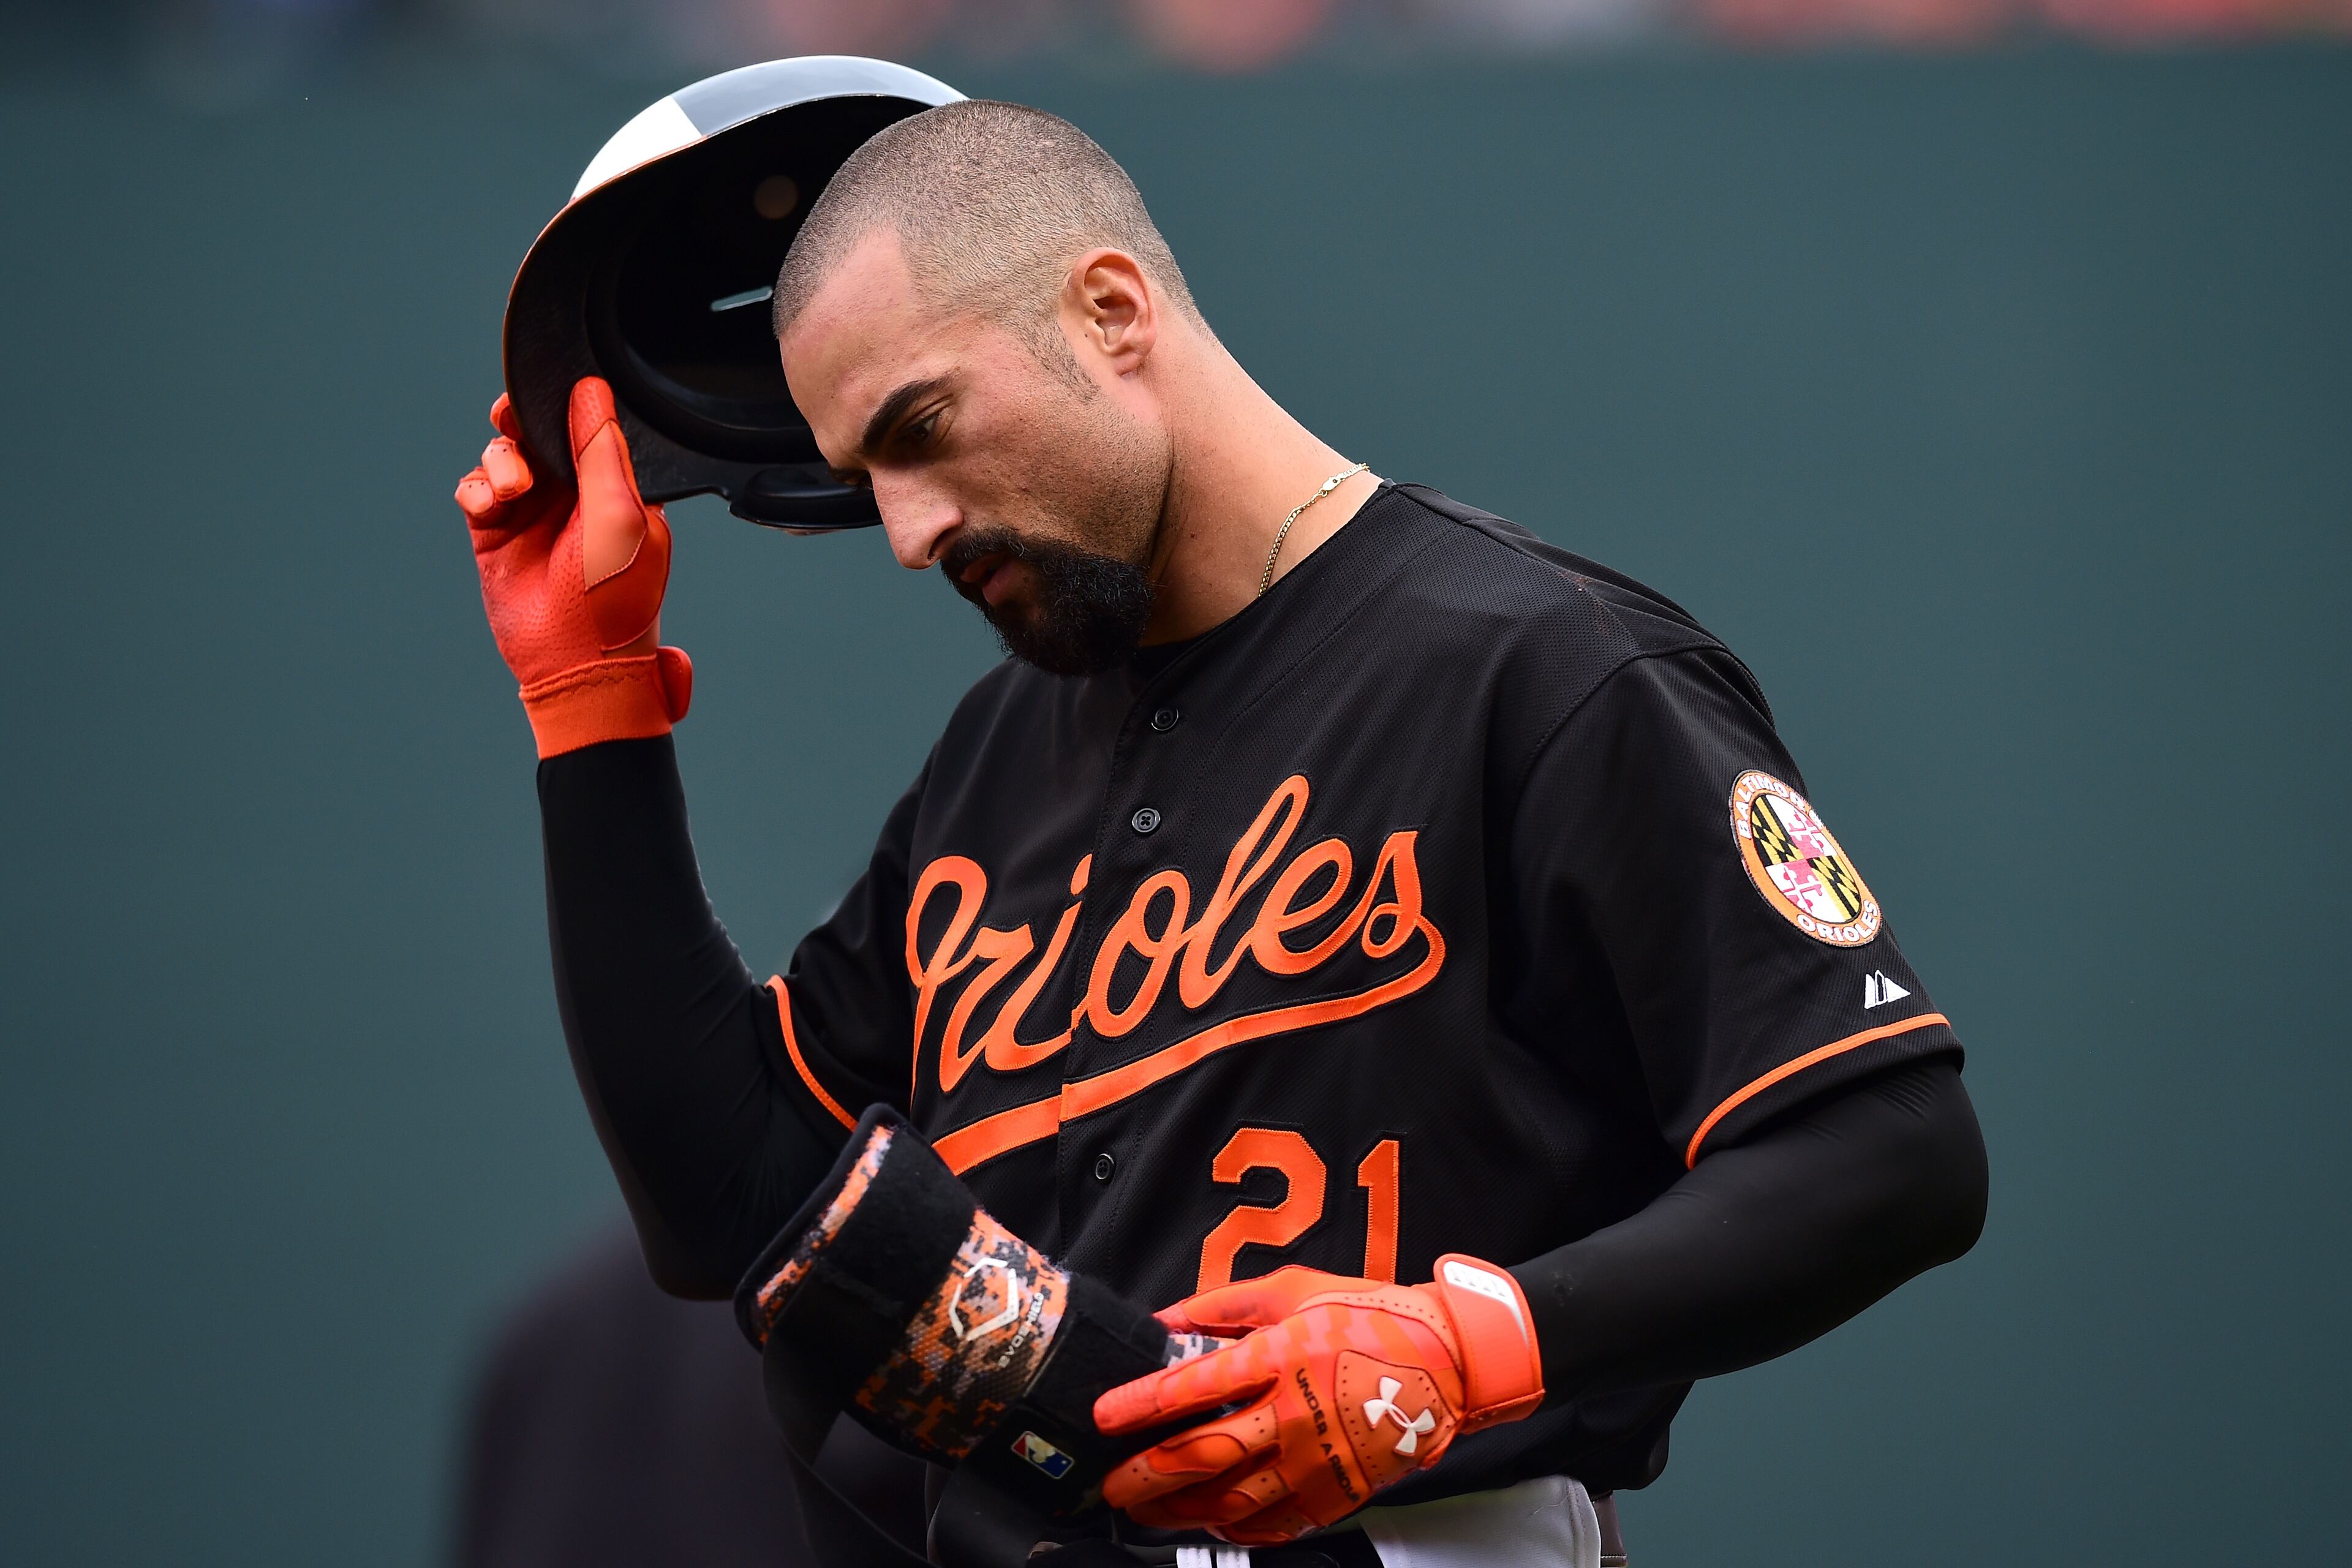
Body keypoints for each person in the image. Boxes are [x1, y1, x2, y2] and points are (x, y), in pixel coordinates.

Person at [456, 97, 1987, 1566]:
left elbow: (1894, 1147)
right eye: (868, 477)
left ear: (1111, 311)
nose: (907, 533)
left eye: (921, 428)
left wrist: (1473, 1345)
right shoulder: (994, 760)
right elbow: (725, 1204)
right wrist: (593, 709)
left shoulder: (1539, 666)